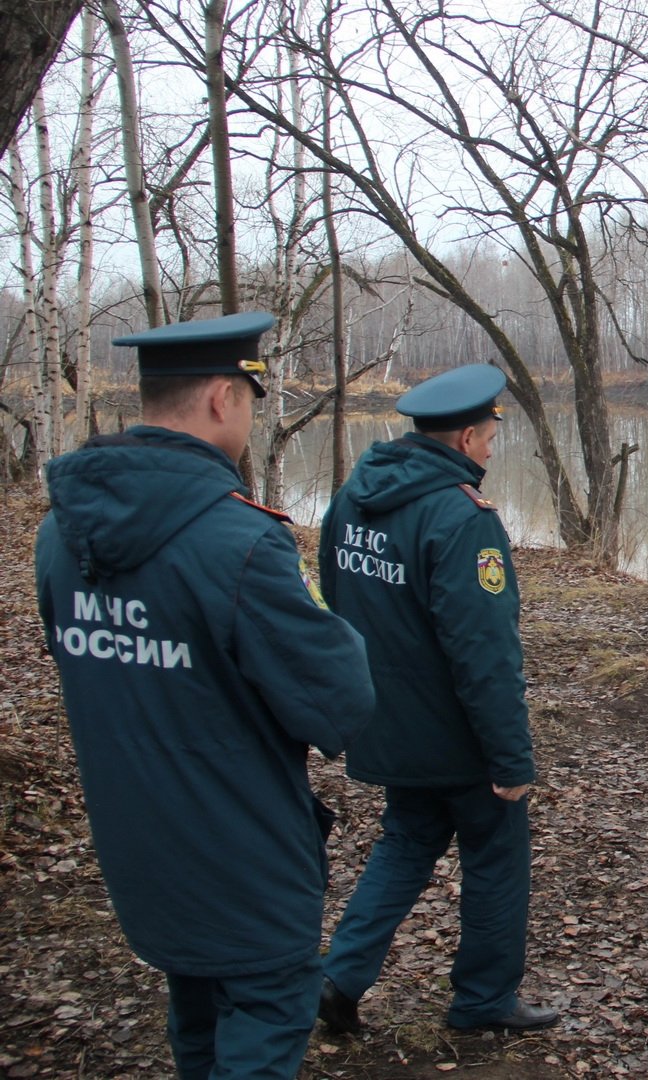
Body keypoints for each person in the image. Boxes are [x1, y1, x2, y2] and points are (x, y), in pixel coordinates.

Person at [33, 312, 376, 1079]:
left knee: (196, 1011)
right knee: (260, 1019)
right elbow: (340, 704)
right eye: (251, 398)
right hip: (243, 856)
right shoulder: (242, 542)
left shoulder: (61, 534)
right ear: (224, 398)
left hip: (141, 848)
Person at [316, 364, 555, 1035]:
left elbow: (335, 600)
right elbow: (484, 652)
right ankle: (483, 1001)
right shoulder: (461, 516)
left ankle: (339, 977)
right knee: (495, 854)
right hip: (457, 737)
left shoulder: (351, 500)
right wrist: (510, 759)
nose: (489, 450)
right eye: (486, 438)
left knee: (407, 841)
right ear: (463, 438)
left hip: (386, 725)